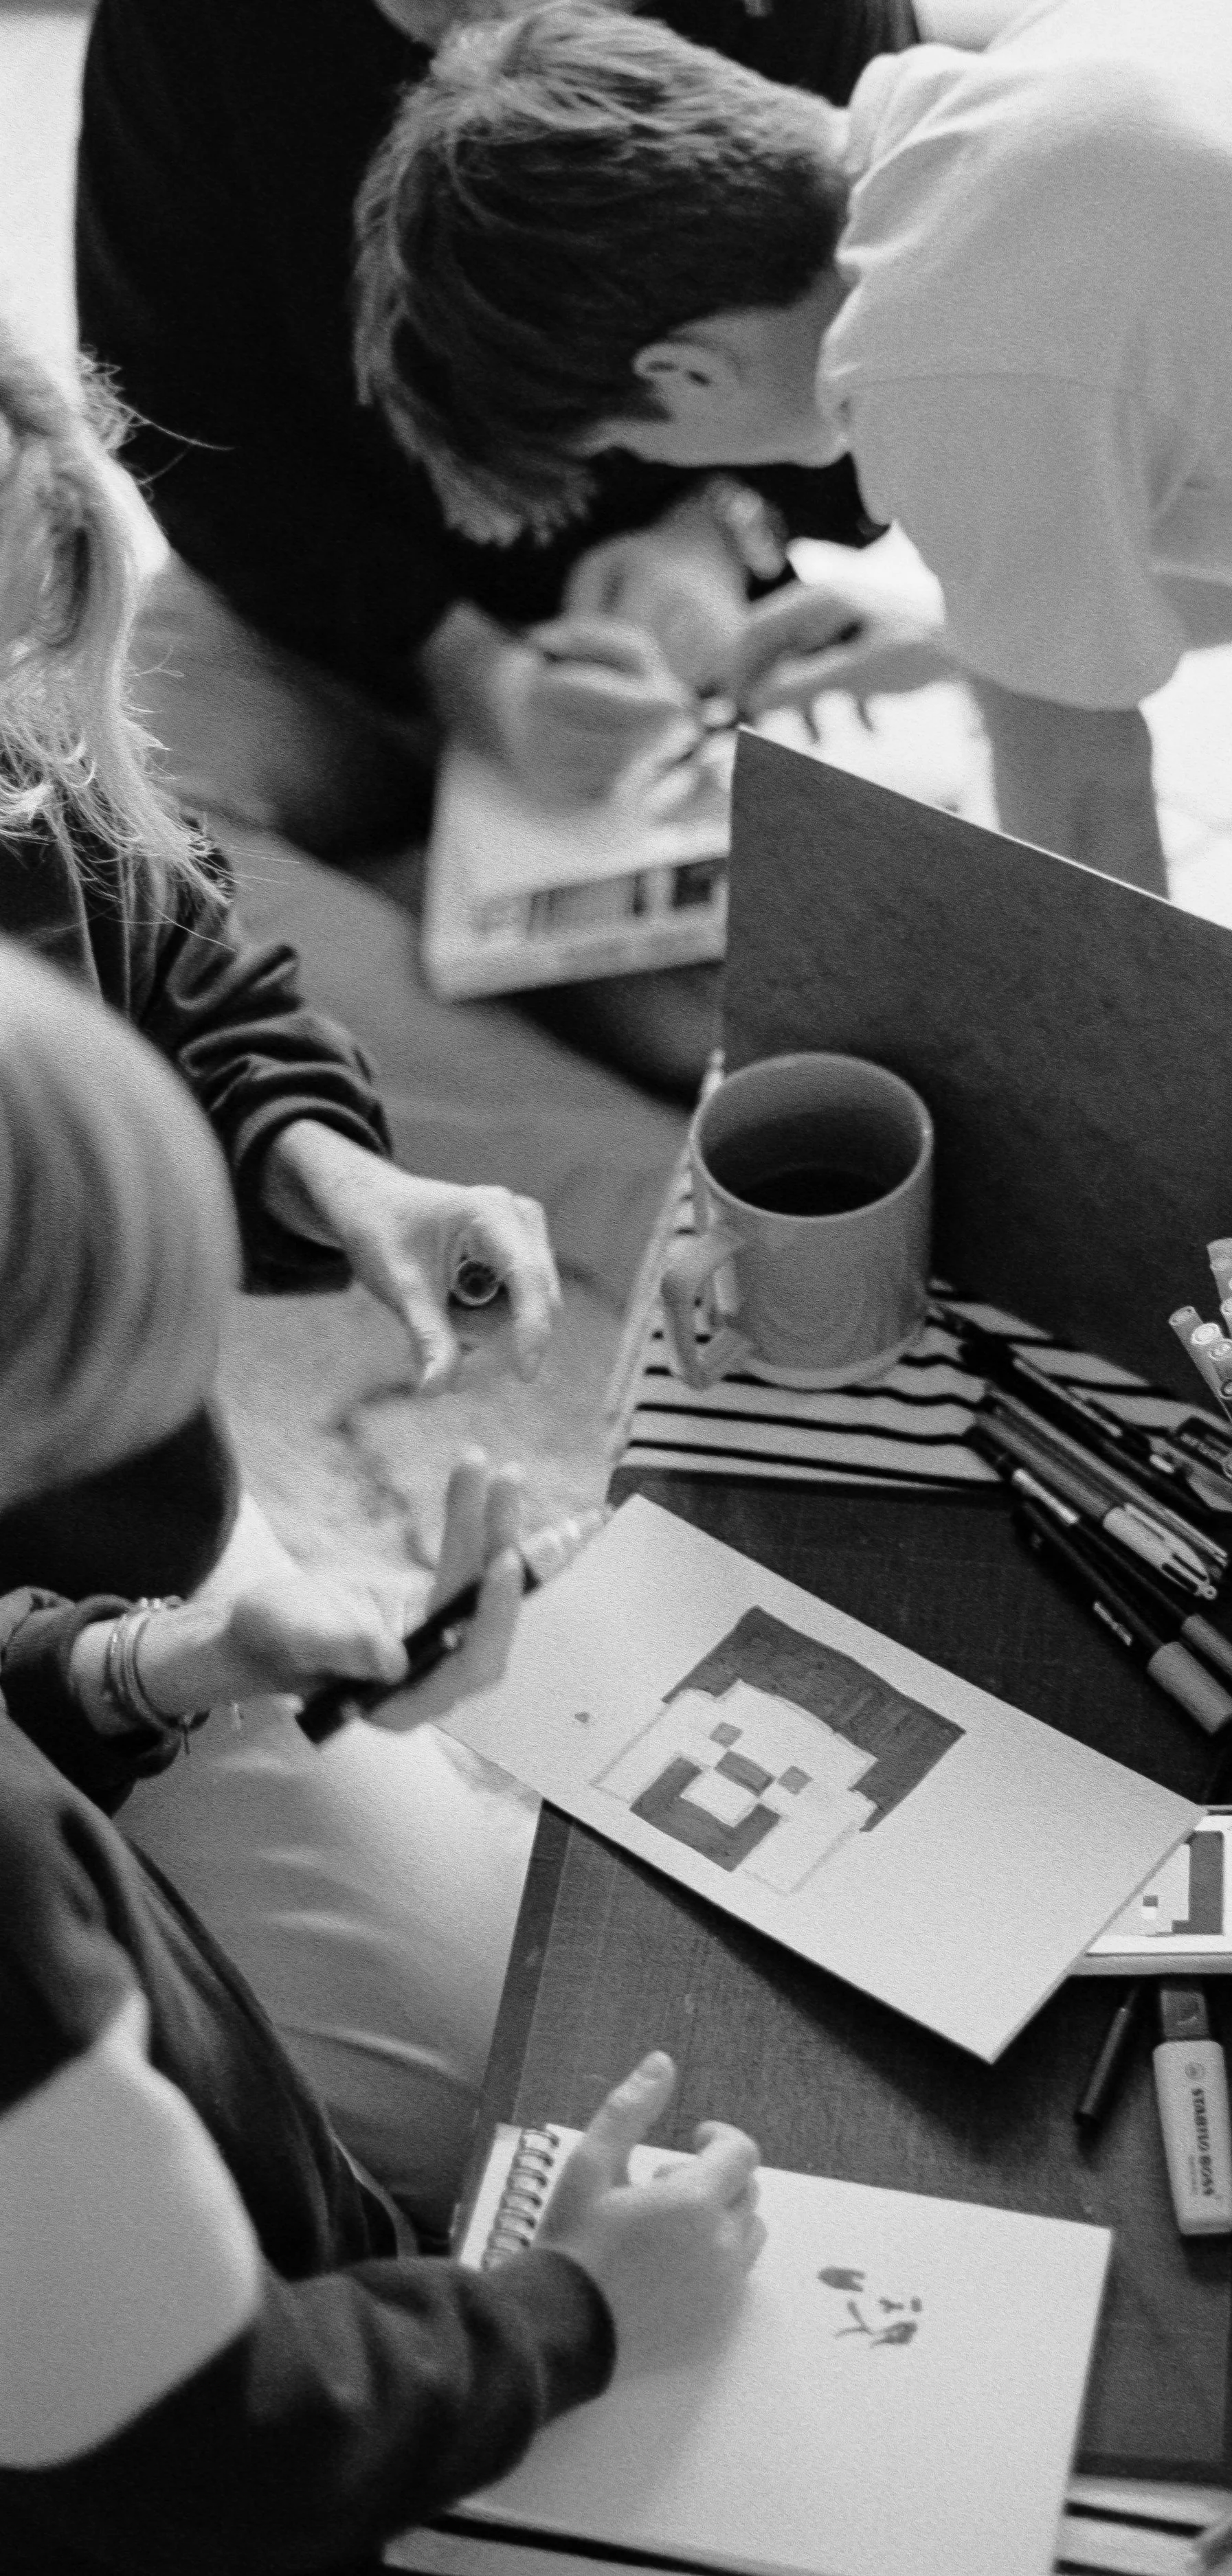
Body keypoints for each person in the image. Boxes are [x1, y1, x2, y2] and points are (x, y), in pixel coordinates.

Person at [353, 0, 1232, 1118]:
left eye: (637, 443)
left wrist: (1131, 1136)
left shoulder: (930, 349)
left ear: (684, 369)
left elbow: (1084, 827)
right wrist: (976, 639)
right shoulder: (1010, 88)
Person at [0, 938, 764, 2576]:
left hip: (189, 2260)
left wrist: (166, 1662)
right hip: (238, 2445)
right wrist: (571, 2315)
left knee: (502, 2042)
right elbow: (214, 2451)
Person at [0, 313, 563, 2222]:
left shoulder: (24, 765)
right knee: (361, 2170)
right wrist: (162, 1667)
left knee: (534, 2022)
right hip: (62, 1677)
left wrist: (341, 1183)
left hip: (120, 1588)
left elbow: (178, 938)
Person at [74, 0, 984, 1108]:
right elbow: (166, 406)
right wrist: (461, 667)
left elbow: (882, 339)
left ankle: (417, 942)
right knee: (102, 857)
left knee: (818, 998)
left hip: (679, 632)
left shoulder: (805, 33)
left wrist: (718, 533)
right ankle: (629, 1180)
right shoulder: (185, 34)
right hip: (300, 609)